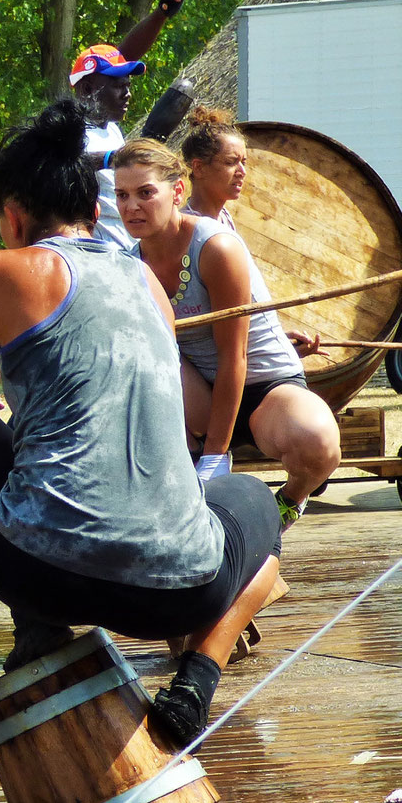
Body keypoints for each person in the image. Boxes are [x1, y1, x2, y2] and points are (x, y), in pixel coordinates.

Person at [0, 100, 283, 747]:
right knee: (256, 500)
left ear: (12, 217)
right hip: (180, 595)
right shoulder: (147, 283)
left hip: (45, 572)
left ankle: (38, 626)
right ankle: (195, 681)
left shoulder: (4, 269)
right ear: (95, 212)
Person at [114, 139, 339, 531]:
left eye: (145, 193)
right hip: (198, 392)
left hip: (262, 385)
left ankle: (288, 502)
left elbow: (234, 357)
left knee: (319, 445)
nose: (132, 206)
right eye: (122, 195)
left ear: (177, 191)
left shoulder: (215, 247)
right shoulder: (130, 266)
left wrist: (215, 457)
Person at [68, 0, 195, 244]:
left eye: (128, 86)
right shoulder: (71, 131)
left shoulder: (109, 128)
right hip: (99, 259)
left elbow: (123, 56)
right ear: (87, 88)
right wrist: (115, 158)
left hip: (130, 254)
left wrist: (161, 14)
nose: (127, 94)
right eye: (118, 87)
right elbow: (68, 161)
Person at [181, 107, 247, 223]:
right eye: (230, 162)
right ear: (199, 167)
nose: (242, 172)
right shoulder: (182, 229)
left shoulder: (224, 217)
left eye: (243, 162)